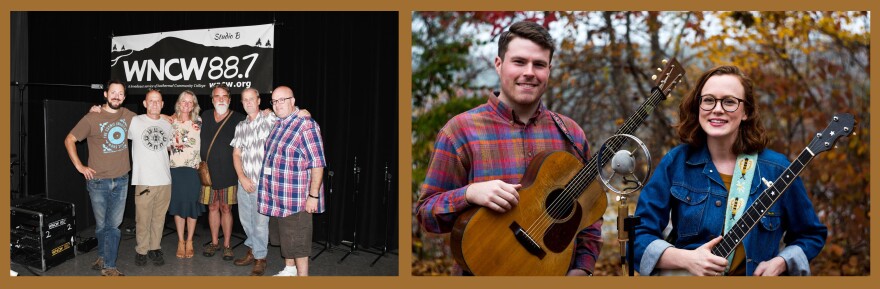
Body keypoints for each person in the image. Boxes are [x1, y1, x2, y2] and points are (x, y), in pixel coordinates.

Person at [415, 21, 602, 276]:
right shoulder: (460, 131)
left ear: (549, 70)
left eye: (539, 64)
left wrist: (583, 269)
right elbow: (426, 214)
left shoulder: (571, 134)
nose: (529, 72)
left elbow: (588, 213)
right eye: (519, 62)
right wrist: (469, 194)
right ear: (499, 64)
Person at [632, 65, 827, 276]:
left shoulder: (777, 169)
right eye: (708, 100)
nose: (717, 109)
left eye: (729, 102)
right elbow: (638, 237)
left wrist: (781, 262)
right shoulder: (676, 162)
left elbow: (810, 234)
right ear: (698, 106)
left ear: (746, 112)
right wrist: (688, 259)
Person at [64, 79, 137, 276]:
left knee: (113, 226)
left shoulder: (128, 115)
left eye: (121, 93)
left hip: (121, 180)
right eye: (113, 92)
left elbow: (151, 119)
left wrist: (172, 117)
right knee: (101, 226)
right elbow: (69, 139)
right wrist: (80, 166)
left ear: (124, 96)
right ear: (105, 94)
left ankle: (109, 266)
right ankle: (103, 257)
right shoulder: (91, 117)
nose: (117, 96)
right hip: (98, 182)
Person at [258, 86, 326, 276]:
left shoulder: (306, 125)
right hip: (278, 197)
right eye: (274, 101)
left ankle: (302, 277)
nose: (278, 104)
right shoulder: (279, 124)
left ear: (293, 101)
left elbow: (318, 163)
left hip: (297, 200)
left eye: (282, 100)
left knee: (298, 242)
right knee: (286, 239)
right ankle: (289, 270)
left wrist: (313, 196)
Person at [229, 88, 276, 276]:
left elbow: (290, 114)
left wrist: (301, 111)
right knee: (246, 221)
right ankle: (253, 250)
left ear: (258, 100)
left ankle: (260, 258)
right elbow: (236, 154)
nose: (248, 102)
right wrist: (241, 177)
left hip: (263, 182)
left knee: (259, 223)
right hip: (244, 181)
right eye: (244, 100)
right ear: (241, 103)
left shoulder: (270, 119)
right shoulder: (240, 126)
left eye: (251, 99)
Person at [200, 84, 246, 260]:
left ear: (229, 99)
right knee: (212, 207)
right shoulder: (204, 116)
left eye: (223, 96)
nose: (220, 99)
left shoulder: (239, 119)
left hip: (229, 173)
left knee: (226, 208)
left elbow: (260, 118)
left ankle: (227, 245)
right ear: (212, 100)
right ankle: (214, 242)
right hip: (208, 174)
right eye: (216, 96)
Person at [128, 89, 174, 267]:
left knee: (159, 218)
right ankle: (141, 250)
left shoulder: (168, 124)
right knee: (143, 218)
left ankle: (155, 247)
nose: (154, 104)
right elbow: (112, 120)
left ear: (162, 104)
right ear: (145, 103)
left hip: (164, 179)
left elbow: (171, 147)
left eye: (158, 101)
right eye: (151, 101)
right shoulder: (134, 121)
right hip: (144, 180)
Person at [168, 90, 206, 259]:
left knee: (191, 205)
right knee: (178, 205)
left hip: (192, 170)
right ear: (179, 103)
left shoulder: (199, 121)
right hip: (175, 169)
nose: (187, 104)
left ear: (194, 105)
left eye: (190, 102)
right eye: (184, 101)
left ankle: (190, 241)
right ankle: (180, 241)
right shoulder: (170, 121)